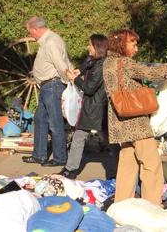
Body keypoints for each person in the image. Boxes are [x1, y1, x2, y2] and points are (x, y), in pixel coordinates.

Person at [103, 29, 167, 205]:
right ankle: (152, 206)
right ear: (121, 43)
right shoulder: (124, 63)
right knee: (151, 164)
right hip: (135, 120)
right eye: (133, 44)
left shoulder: (107, 63)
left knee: (127, 165)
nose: (136, 49)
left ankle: (122, 204)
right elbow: (151, 73)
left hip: (119, 120)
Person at [22, 16, 72, 166]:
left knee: (55, 122)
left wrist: (69, 81)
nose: (30, 34)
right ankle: (39, 155)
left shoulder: (51, 42)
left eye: (30, 31)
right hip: (47, 87)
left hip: (52, 86)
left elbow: (60, 64)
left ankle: (60, 158)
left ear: (35, 29)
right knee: (40, 119)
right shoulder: (50, 40)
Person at [59, 34, 109, 179]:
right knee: (83, 137)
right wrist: (79, 71)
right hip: (95, 107)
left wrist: (75, 79)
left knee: (85, 137)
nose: (87, 47)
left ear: (97, 47)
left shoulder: (101, 66)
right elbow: (87, 63)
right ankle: (70, 169)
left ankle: (70, 169)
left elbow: (89, 88)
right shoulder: (95, 61)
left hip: (96, 107)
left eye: (90, 45)